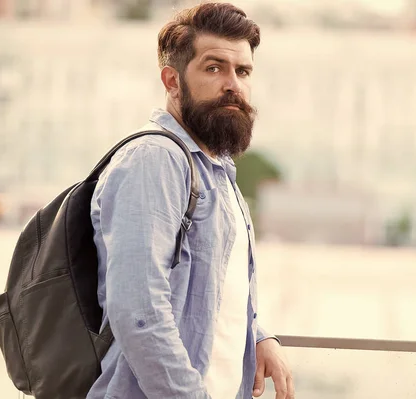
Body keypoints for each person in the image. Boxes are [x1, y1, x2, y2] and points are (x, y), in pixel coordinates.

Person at [86, 3, 294, 399]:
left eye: (243, 71)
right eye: (214, 68)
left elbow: (211, 289)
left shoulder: (217, 169)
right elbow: (139, 311)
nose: (232, 83)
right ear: (172, 80)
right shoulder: (155, 160)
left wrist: (259, 334)